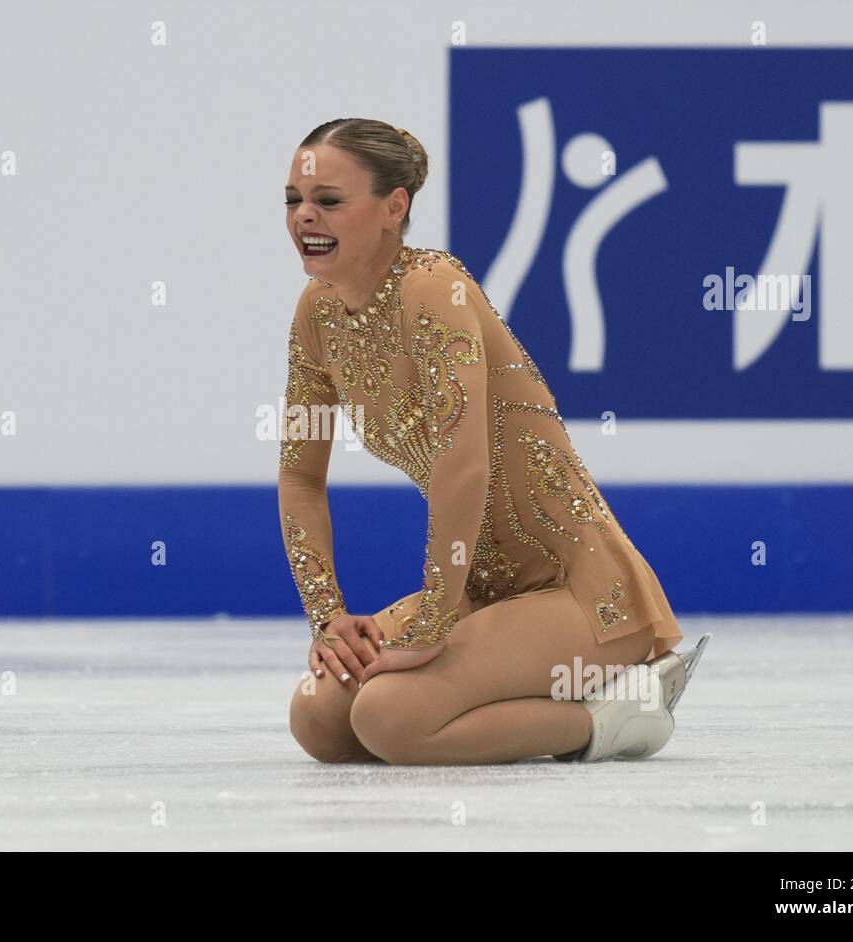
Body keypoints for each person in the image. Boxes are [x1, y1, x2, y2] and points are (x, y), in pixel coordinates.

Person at [279, 118, 709, 765]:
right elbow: (301, 477)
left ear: (394, 207)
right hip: (481, 589)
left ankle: (609, 719)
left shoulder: (434, 289)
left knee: (391, 716)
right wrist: (329, 619)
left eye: (328, 201)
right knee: (320, 717)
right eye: (294, 201)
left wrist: (430, 626)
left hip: (579, 592)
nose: (305, 217)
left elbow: (464, 465)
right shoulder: (317, 313)